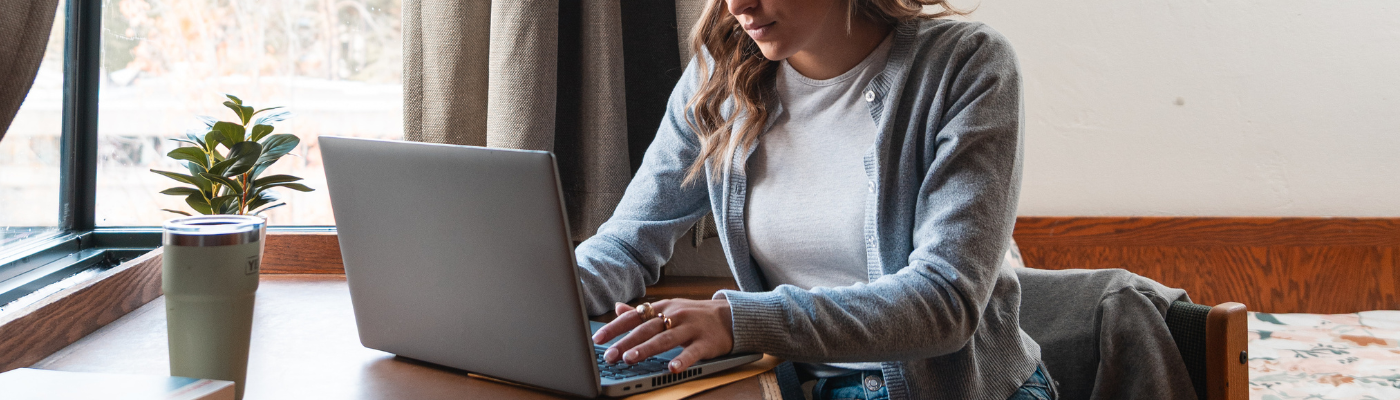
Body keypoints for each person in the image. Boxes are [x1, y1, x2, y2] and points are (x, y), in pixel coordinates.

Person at [577, 0, 1054, 399]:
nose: (738, 5)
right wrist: (549, 297)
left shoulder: (966, 64)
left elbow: (945, 301)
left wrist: (736, 320)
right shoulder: (719, 76)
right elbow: (628, 243)